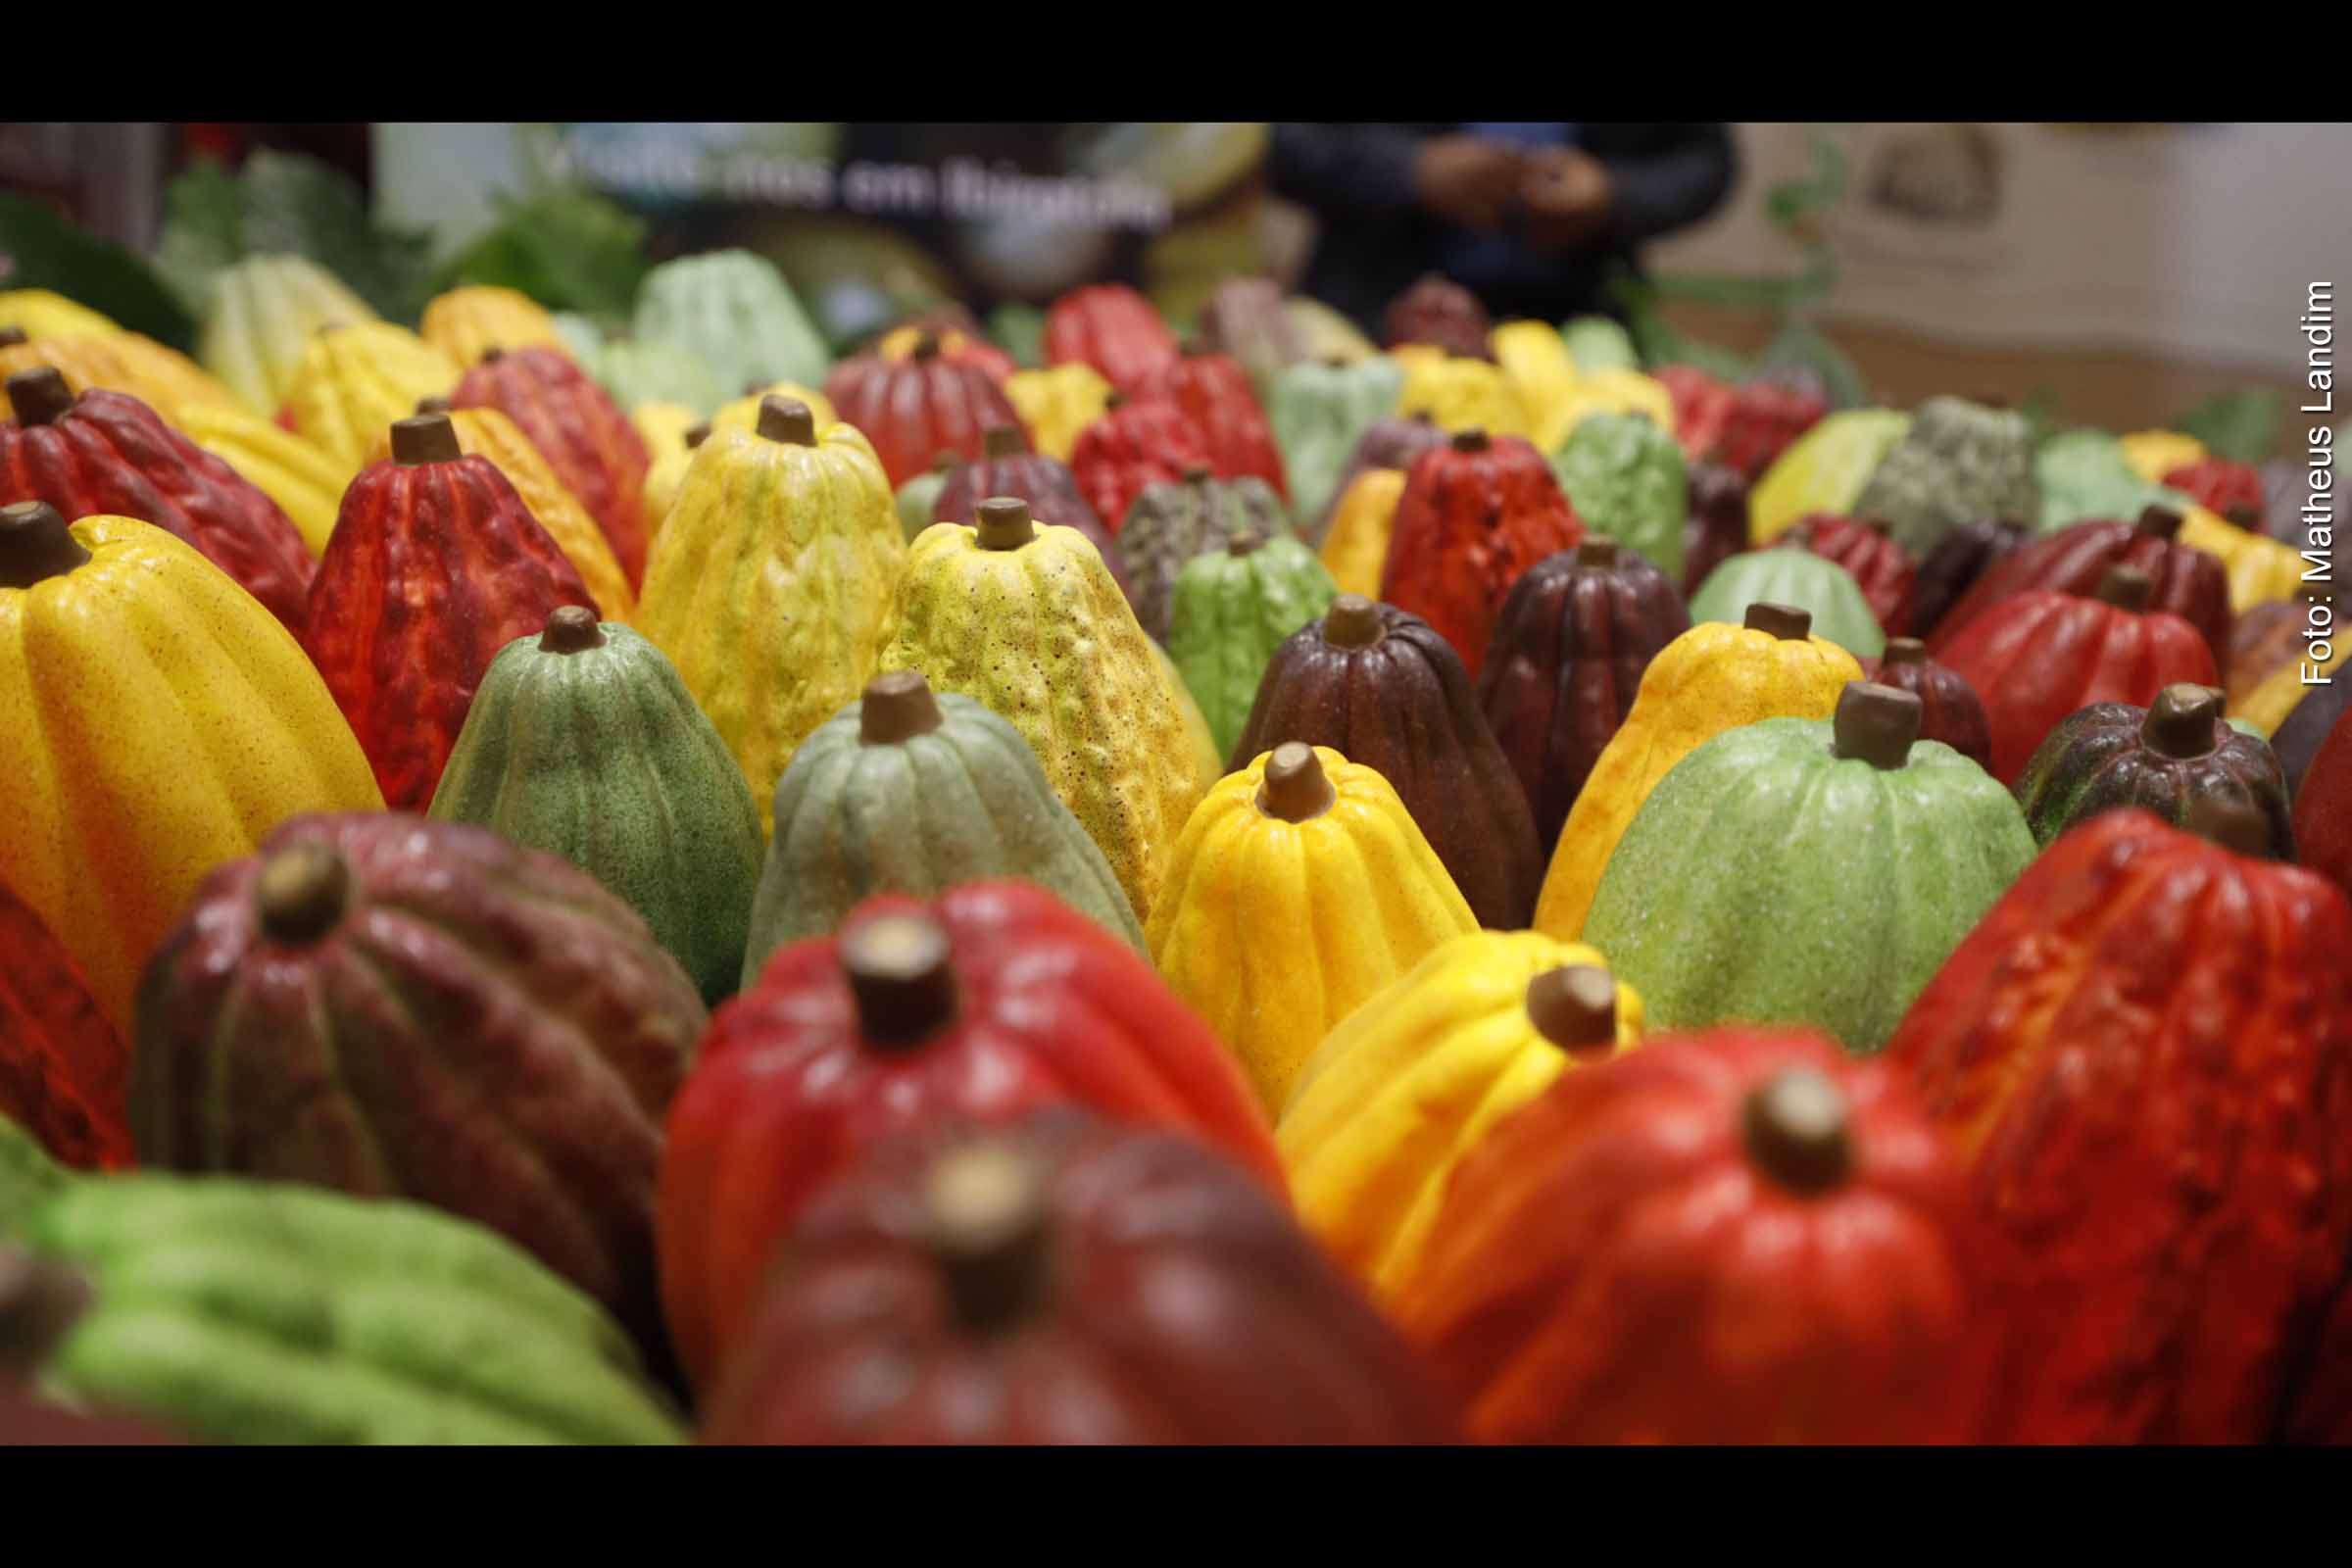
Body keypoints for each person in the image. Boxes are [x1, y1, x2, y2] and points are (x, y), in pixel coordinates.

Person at [1268, 124, 1739, 331]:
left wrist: (1613, 193)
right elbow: (1280, 144)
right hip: (1373, 322)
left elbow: (1706, 161)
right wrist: (1409, 170)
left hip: (1581, 328)